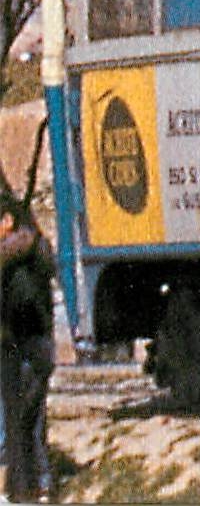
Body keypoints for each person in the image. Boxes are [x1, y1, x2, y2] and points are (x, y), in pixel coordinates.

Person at [1, 202, 55, 502]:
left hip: (17, 345)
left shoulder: (10, 256)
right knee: (33, 420)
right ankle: (39, 485)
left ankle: (21, 488)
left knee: (16, 421)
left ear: (8, 221)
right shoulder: (39, 249)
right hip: (40, 345)